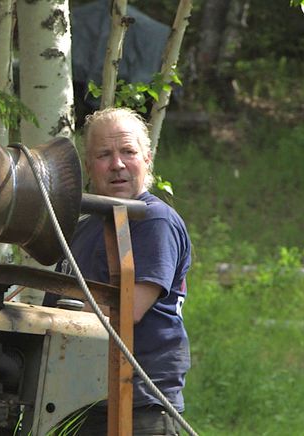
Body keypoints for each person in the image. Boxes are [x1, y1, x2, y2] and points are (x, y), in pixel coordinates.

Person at [44, 107, 192, 435]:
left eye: (128, 151)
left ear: (147, 158)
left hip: (138, 406)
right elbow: (52, 307)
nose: (117, 165)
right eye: (104, 154)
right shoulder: (83, 230)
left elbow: (127, 310)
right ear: (88, 166)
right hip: (86, 404)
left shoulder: (152, 220)